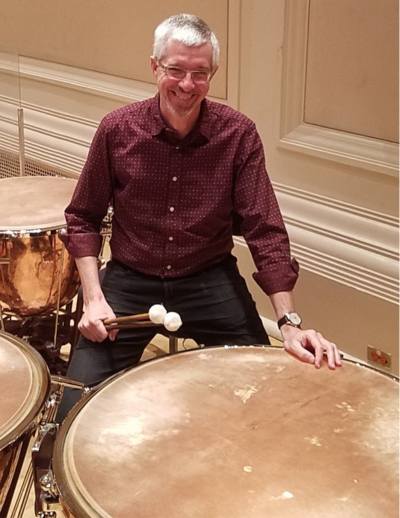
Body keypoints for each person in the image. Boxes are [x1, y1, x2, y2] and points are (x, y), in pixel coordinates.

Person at [57, 13, 341, 421]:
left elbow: (266, 230)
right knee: (74, 411)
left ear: (214, 73)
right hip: (129, 280)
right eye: (175, 70)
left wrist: (289, 323)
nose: (187, 85)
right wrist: (94, 298)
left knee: (265, 391)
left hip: (208, 279)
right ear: (155, 67)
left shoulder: (238, 135)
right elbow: (83, 218)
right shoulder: (117, 130)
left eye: (199, 73)